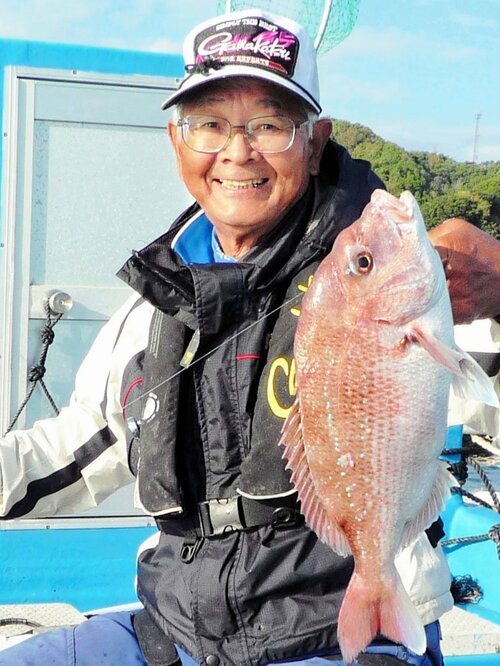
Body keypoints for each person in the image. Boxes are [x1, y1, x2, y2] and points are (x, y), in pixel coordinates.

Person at [0, 8, 499, 666]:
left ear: (315, 141)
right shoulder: (155, 307)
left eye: (269, 123)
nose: (237, 152)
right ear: (178, 142)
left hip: (342, 634)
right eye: (210, 124)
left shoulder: (408, 291)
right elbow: (72, 447)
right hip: (173, 628)